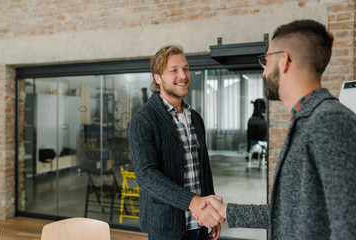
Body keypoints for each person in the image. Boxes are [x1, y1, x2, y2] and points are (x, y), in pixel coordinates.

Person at [197, 19, 356, 239]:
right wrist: (227, 211)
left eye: (266, 60)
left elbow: (349, 227)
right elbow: (288, 213)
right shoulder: (306, 120)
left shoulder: (331, 122)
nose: (263, 72)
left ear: (284, 61)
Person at [128, 44, 224, 240]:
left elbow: (202, 169)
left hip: (199, 222)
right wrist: (193, 202)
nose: (183, 75)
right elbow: (146, 175)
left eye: (186, 68)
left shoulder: (195, 117)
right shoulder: (143, 120)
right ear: (158, 77)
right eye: (174, 70)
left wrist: (213, 213)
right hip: (166, 228)